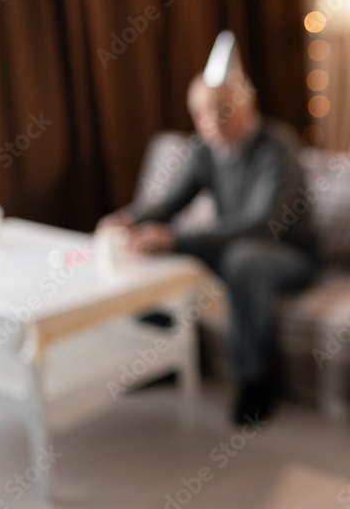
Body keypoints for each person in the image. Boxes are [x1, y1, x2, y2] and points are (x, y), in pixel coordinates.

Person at [98, 73, 318, 424]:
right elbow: (172, 202)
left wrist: (177, 238)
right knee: (155, 247)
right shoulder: (205, 150)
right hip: (235, 249)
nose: (211, 121)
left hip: (289, 256)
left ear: (249, 105)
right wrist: (129, 218)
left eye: (222, 109)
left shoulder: (278, 146)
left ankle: (255, 381)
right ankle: (162, 359)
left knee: (241, 258)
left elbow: (261, 225)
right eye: (201, 113)